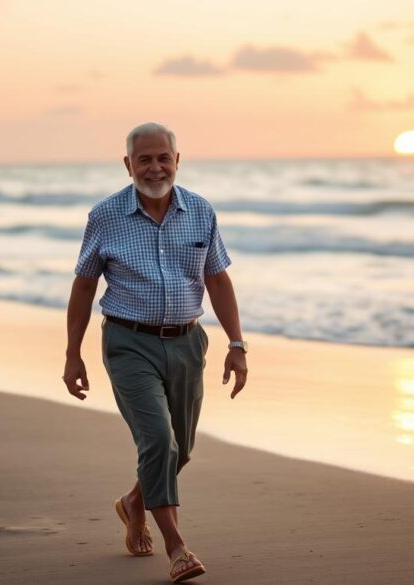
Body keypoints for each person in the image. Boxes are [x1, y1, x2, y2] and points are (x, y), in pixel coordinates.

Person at [63, 122, 248, 583]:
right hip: (129, 343)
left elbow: (218, 279)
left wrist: (237, 344)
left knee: (180, 450)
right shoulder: (105, 217)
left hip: (187, 343)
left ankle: (132, 502)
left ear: (177, 160)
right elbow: (84, 285)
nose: (154, 167)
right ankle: (178, 547)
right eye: (143, 159)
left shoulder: (201, 211)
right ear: (128, 165)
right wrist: (73, 354)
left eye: (163, 157)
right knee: (158, 442)